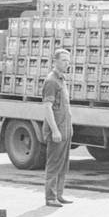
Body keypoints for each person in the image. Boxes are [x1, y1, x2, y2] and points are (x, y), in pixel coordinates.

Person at [42, 48, 73, 207]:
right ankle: (50, 197)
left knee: (63, 163)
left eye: (68, 60)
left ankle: (59, 194)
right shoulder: (51, 81)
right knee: (54, 164)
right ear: (54, 62)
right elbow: (47, 107)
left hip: (65, 129)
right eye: (63, 60)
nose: (67, 63)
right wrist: (54, 130)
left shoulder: (62, 79)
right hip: (58, 130)